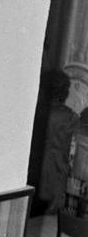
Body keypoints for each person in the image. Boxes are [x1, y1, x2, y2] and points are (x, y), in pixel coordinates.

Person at [29, 68, 78, 216]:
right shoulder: (70, 116)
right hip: (56, 174)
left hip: (35, 172)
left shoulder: (36, 111)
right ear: (64, 93)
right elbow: (72, 154)